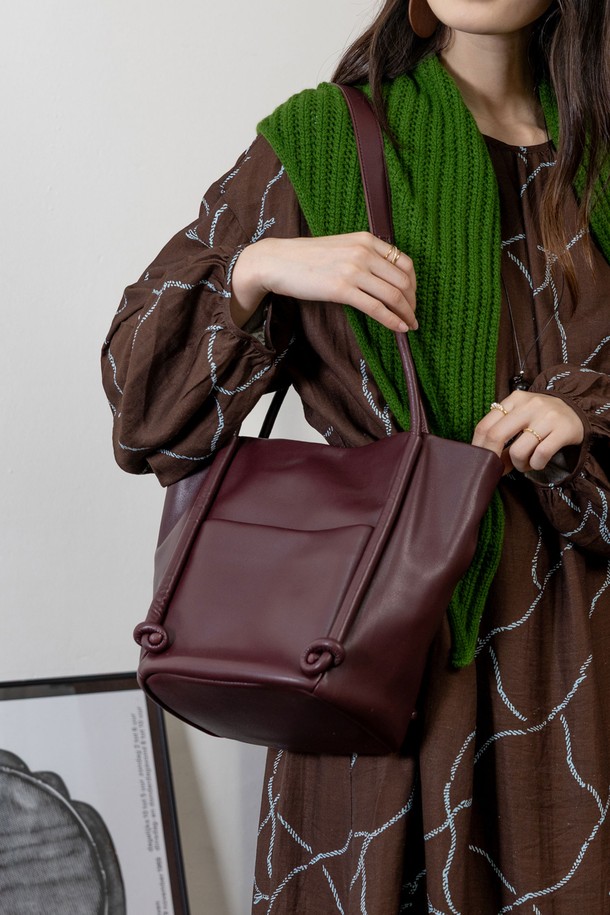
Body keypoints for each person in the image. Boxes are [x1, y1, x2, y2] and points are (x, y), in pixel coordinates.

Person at [102, 0, 610, 910]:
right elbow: (145, 410)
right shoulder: (329, 139)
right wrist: (258, 269)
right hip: (381, 648)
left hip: (582, 661)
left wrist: (588, 413)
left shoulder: (600, 161)